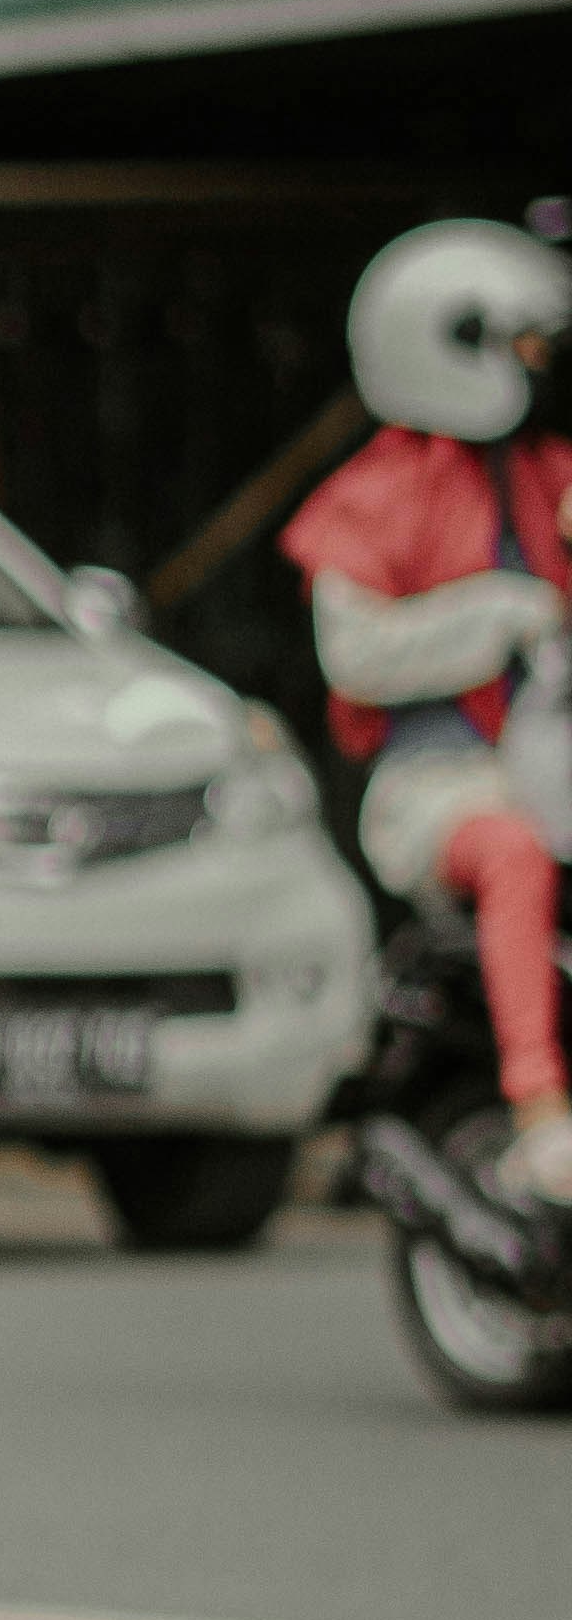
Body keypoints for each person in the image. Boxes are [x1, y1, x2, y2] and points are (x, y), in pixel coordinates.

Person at [281, 221, 572, 1206]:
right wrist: (494, 615)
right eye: (518, 348)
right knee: (513, 853)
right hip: (436, 786)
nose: (538, 369)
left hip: (552, 764)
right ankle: (540, 1114)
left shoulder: (548, 474)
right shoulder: (373, 496)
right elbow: (354, 657)